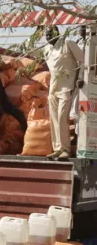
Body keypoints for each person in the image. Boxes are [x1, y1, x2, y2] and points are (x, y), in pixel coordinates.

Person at [44, 26, 85, 159]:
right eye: (46, 34)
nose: (48, 37)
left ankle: (66, 149)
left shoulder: (68, 43)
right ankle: (57, 148)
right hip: (53, 88)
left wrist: (80, 78)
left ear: (57, 33)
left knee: (62, 118)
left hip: (67, 87)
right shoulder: (46, 49)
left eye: (50, 34)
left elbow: (83, 60)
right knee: (54, 119)